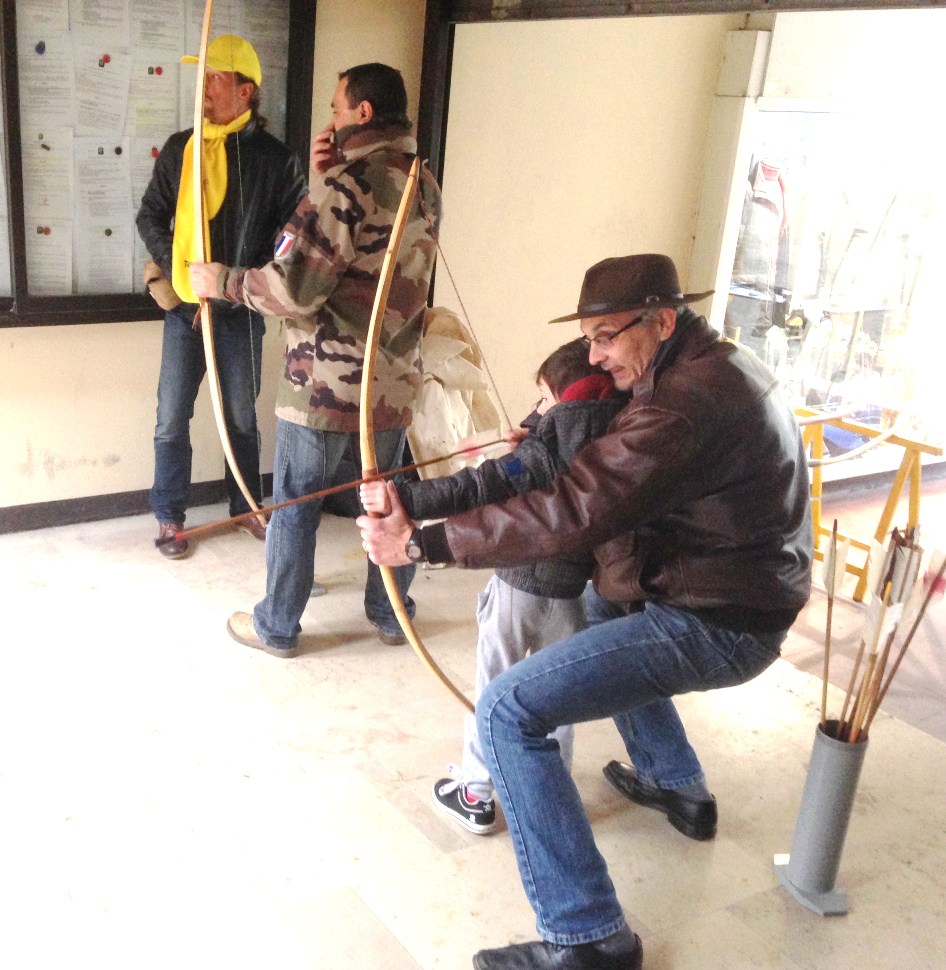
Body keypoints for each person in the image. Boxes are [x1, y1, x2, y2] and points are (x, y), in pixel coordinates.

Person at [357, 253, 813, 970]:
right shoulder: (716, 365)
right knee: (603, 606)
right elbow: (570, 473)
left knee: (507, 712)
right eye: (590, 340)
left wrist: (423, 544)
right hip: (741, 591)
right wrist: (436, 490)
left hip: (721, 619)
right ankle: (673, 781)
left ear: (662, 322)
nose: (594, 356)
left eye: (606, 337)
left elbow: (574, 508)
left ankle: (589, 936)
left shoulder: (682, 404)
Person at [189, 62, 443, 655]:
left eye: (337, 108)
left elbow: (294, 288)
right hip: (392, 383)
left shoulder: (347, 186)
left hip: (325, 382)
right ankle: (392, 614)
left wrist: (220, 280)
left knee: (296, 505)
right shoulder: (422, 180)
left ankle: (277, 625)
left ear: (363, 113)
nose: (331, 118)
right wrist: (327, 176)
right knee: (387, 500)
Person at [361, 339, 623, 835]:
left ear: (567, 399)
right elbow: (554, 443)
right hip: (572, 593)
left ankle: (475, 792)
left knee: (494, 688)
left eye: (543, 399)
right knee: (559, 695)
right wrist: (536, 432)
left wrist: (401, 497)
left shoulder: (544, 454)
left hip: (518, 589)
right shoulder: (616, 436)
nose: (536, 410)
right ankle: (552, 793)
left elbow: (479, 485)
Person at [137, 34, 307, 559]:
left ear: (245, 90)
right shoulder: (181, 149)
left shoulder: (276, 160)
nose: (205, 87)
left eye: (215, 77)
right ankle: (169, 516)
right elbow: (149, 216)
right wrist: (180, 269)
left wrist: (246, 279)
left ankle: (247, 506)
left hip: (241, 312)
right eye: (203, 77)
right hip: (185, 311)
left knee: (240, 417)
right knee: (171, 417)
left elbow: (294, 235)